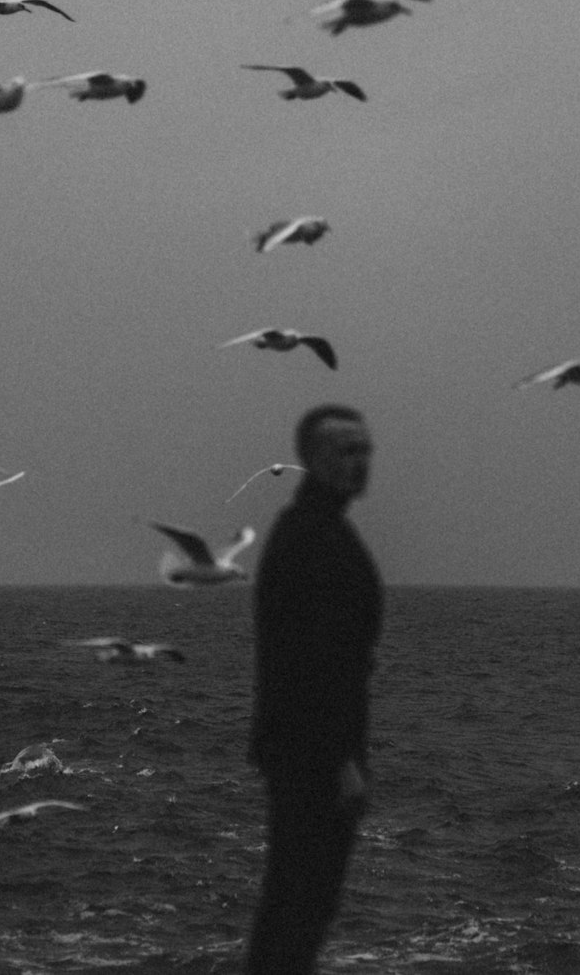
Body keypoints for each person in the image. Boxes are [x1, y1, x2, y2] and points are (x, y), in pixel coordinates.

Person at [245, 404, 383, 975]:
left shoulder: (321, 528)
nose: (358, 462)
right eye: (344, 451)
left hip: (306, 748)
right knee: (299, 904)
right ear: (310, 460)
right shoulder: (310, 536)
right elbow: (306, 665)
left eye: (364, 450)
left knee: (299, 905)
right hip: (311, 754)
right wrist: (339, 761)